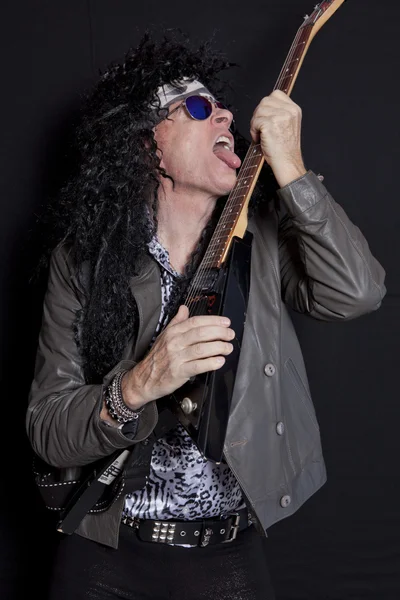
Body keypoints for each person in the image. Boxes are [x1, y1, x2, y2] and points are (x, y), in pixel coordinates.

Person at [26, 32, 386, 600]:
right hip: (103, 549)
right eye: (196, 106)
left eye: (221, 105)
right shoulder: (82, 261)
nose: (223, 112)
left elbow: (358, 293)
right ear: (147, 147)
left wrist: (292, 168)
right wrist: (141, 383)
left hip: (226, 551)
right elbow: (47, 428)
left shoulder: (263, 239)